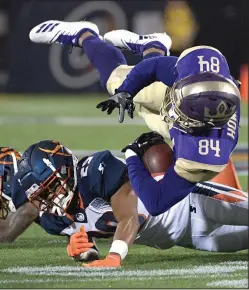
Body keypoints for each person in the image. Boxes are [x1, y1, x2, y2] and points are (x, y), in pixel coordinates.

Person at [29, 21, 242, 214]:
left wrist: (133, 156)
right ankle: (84, 35)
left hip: (194, 138)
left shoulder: (199, 157)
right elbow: (156, 67)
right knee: (116, 82)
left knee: (144, 108)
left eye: (177, 108)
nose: (172, 105)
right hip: (192, 110)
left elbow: (156, 203)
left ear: (191, 122)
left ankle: (152, 45)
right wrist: (126, 91)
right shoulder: (196, 72)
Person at [17, 139, 248, 268]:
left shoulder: (94, 172)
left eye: (50, 187)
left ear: (66, 171)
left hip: (188, 202)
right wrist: (80, 251)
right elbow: (89, 248)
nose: (49, 199)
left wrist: (115, 257)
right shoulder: (55, 217)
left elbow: (129, 216)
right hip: (185, 237)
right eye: (42, 194)